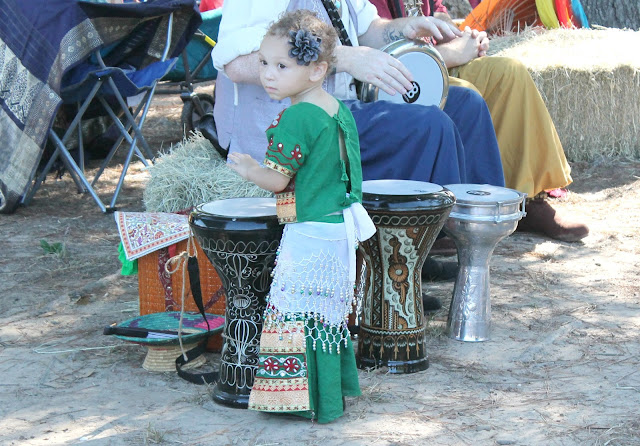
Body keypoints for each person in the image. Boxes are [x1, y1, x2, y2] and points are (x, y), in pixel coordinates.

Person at [212, 0, 507, 301]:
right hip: (289, 125)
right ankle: (388, 270)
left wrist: (403, 28)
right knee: (427, 126)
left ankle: (457, 243)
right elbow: (236, 63)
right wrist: (340, 57)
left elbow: (367, 29)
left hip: (342, 106)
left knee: (466, 107)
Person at [227, 10, 376, 423]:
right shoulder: (334, 108)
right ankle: (330, 395)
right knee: (325, 315)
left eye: (281, 66)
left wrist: (247, 168)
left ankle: (304, 401)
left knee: (295, 314)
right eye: (263, 63)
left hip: (310, 230)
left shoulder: (297, 116)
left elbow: (277, 181)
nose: (268, 75)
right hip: (337, 224)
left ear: (316, 70)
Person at [370, 0, 589, 242]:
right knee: (465, 94)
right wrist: (451, 53)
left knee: (509, 73)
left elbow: (437, 11)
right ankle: (454, 215)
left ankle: (526, 201)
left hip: (435, 60)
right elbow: (372, 45)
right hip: (395, 78)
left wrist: (459, 36)